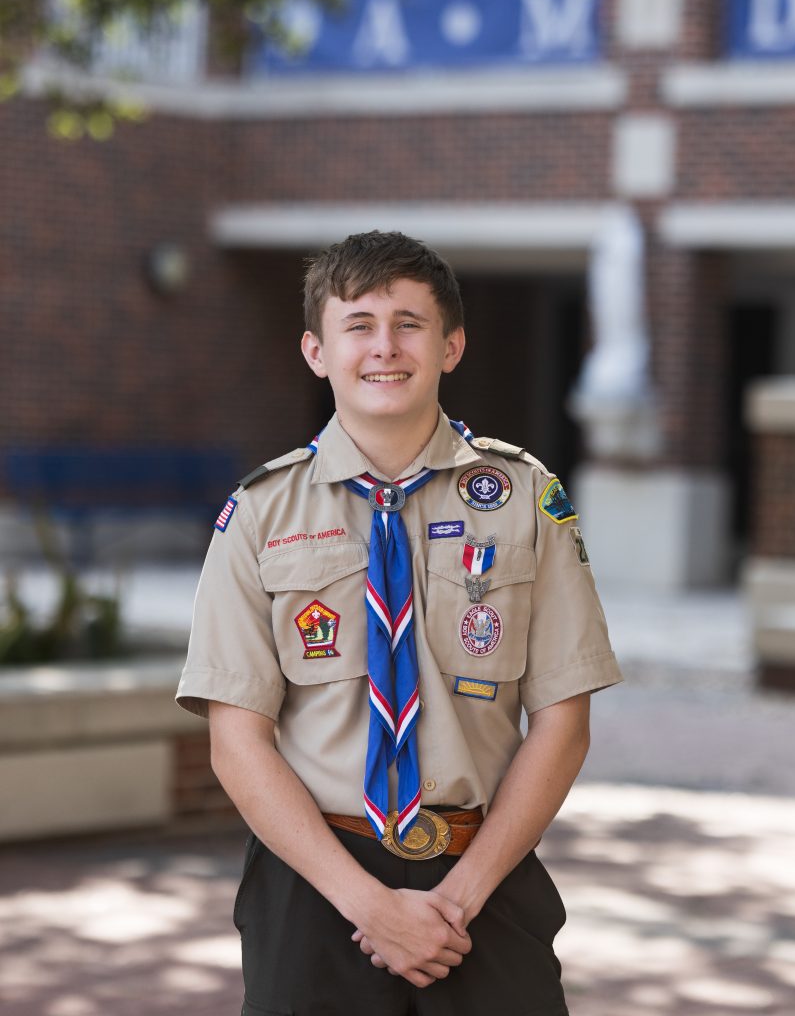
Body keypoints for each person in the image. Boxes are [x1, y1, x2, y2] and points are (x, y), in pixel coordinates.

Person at [176, 230, 623, 1016]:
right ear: (316, 351)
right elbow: (236, 739)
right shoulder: (258, 513)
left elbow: (563, 719)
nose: (384, 347)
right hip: (314, 885)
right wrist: (369, 904)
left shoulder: (524, 496)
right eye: (359, 326)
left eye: (409, 324)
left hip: (483, 876)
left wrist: (458, 898)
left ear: (451, 345)